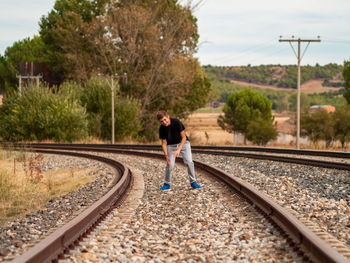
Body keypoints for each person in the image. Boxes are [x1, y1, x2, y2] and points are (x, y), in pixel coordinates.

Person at [157, 110, 201, 190]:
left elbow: (184, 137)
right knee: (170, 165)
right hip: (171, 146)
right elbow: (164, 143)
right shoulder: (161, 129)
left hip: (184, 143)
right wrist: (166, 156)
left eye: (165, 119)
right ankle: (167, 184)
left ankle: (193, 182)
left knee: (189, 162)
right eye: (161, 121)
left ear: (168, 117)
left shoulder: (176, 122)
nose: (164, 122)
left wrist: (178, 149)